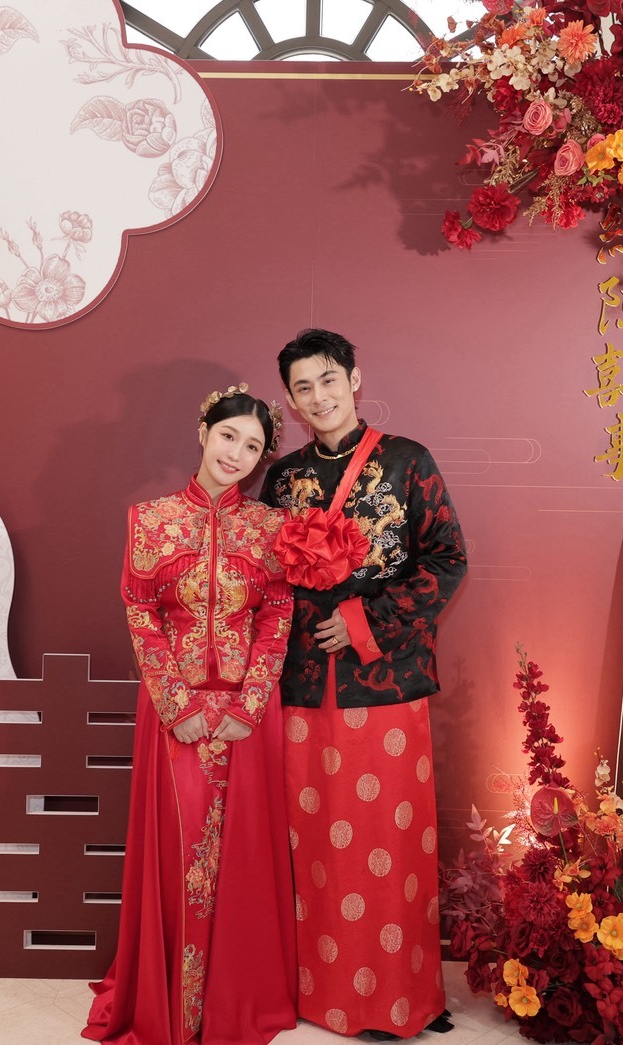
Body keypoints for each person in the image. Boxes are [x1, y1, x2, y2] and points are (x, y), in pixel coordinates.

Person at [262, 330, 466, 1041]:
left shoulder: (406, 460)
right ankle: (317, 992)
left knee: (388, 843)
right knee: (315, 845)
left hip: (386, 681)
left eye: (328, 379)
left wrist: (361, 622)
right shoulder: (282, 478)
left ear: (354, 379)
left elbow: (447, 560)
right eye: (303, 387)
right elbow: (265, 582)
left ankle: (401, 998)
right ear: (291, 401)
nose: (319, 397)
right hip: (302, 684)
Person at [85, 386, 298, 1045]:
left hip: (245, 716)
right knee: (180, 856)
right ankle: (170, 998)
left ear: (261, 460)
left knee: (240, 858)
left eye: (252, 447)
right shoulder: (149, 520)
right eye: (228, 435)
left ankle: (233, 998)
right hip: (174, 712)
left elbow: (277, 616)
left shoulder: (270, 528)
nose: (236, 453)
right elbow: (140, 612)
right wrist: (176, 705)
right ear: (204, 431)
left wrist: (250, 705)